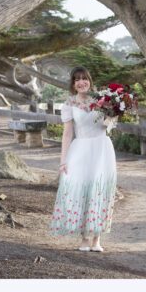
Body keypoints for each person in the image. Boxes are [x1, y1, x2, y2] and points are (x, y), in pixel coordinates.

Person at [49, 66, 118, 251]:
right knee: (80, 191)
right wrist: (63, 161)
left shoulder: (103, 100)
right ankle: (84, 239)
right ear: (73, 84)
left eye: (84, 78)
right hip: (80, 149)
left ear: (89, 80)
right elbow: (67, 134)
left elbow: (108, 125)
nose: (81, 82)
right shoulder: (69, 104)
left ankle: (97, 240)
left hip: (102, 148)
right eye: (77, 79)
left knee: (99, 189)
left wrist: (111, 116)